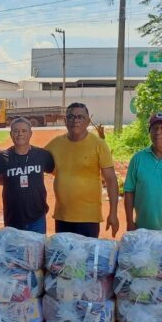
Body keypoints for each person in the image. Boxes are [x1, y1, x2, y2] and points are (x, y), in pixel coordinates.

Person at [45, 102, 120, 238]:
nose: (76, 120)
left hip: (88, 218)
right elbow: (32, 157)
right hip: (63, 216)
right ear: (65, 120)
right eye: (71, 117)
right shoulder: (55, 144)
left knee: (85, 258)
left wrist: (113, 213)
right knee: (63, 257)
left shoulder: (99, 145)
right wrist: (6, 154)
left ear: (88, 121)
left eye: (80, 117)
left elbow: (111, 180)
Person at [0, 118, 55, 234]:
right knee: (15, 251)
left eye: (24, 131)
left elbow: (55, 171)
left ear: (30, 134)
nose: (20, 134)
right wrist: (8, 181)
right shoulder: (3, 158)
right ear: (10, 134)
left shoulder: (42, 155)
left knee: (37, 251)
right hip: (13, 218)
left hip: (37, 217)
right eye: (16, 131)